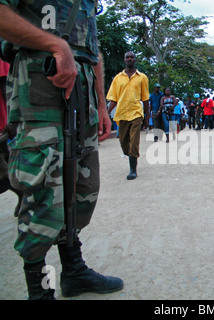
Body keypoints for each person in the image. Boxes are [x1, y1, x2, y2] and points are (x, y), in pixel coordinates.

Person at [0, 1, 123, 300]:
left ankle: (73, 270)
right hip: (38, 85)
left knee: (82, 190)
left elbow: (91, 49)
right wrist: (56, 44)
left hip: (84, 94)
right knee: (43, 194)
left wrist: (101, 105)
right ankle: (39, 292)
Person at [107, 52, 150, 180]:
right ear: (124, 60)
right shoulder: (117, 78)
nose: (130, 59)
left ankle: (133, 169)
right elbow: (113, 98)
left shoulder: (142, 77)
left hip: (136, 113)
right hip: (121, 114)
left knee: (134, 142)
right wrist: (106, 112)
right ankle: (130, 156)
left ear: (135, 60)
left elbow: (146, 99)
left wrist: (147, 117)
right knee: (123, 142)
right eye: (127, 57)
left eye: (132, 57)